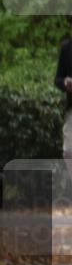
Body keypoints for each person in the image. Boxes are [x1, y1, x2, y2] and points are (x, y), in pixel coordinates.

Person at [56, 15, 72, 169]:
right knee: (68, 151)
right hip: (71, 108)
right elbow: (58, 79)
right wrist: (65, 83)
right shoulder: (66, 48)